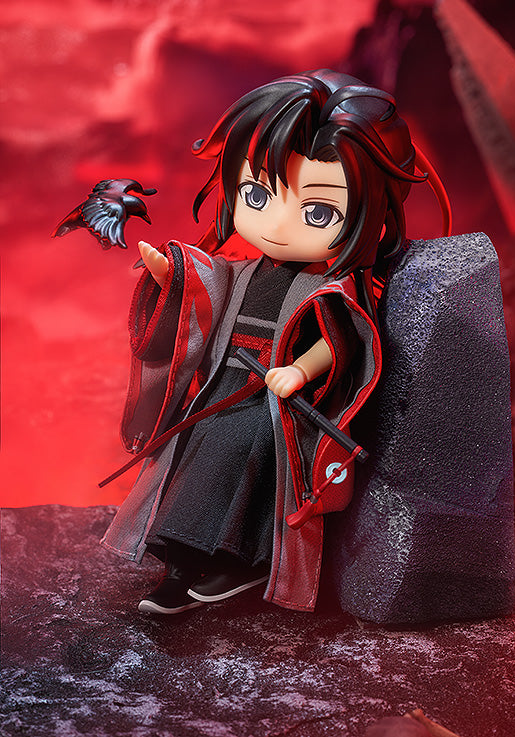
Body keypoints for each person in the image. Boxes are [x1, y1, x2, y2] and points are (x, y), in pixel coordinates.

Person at [100, 69, 450, 615]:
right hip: (225, 385)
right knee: (188, 441)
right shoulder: (245, 271)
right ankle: (178, 563)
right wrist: (174, 279)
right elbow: (209, 286)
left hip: (279, 403)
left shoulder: (332, 286)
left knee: (245, 447)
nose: (280, 224)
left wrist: (300, 370)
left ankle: (239, 561)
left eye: (318, 211)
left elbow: (342, 337)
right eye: (257, 194)